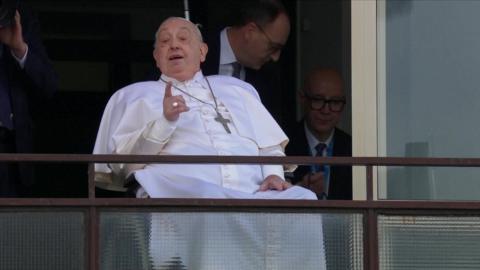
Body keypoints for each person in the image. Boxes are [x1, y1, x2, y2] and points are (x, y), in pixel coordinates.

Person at [94, 17, 325, 270]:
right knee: (210, 202)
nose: (174, 46)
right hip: (185, 192)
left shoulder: (237, 89)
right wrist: (164, 123)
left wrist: (272, 173)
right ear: (156, 55)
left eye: (183, 39)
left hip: (252, 190)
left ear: (202, 51)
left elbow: (267, 143)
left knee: (303, 199)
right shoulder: (134, 95)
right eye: (164, 41)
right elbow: (123, 165)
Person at [201, 0, 291, 129]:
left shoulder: (268, 76)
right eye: (273, 47)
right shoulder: (195, 52)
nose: (276, 57)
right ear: (250, 31)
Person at [0, 1, 58, 197]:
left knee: (9, 224)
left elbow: (49, 85)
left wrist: (19, 48)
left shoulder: (16, 15)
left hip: (9, 152)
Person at [286, 68, 352, 200]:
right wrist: (298, 190)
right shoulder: (282, 143)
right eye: (318, 100)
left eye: (335, 102)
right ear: (302, 99)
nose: (326, 110)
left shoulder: (352, 148)